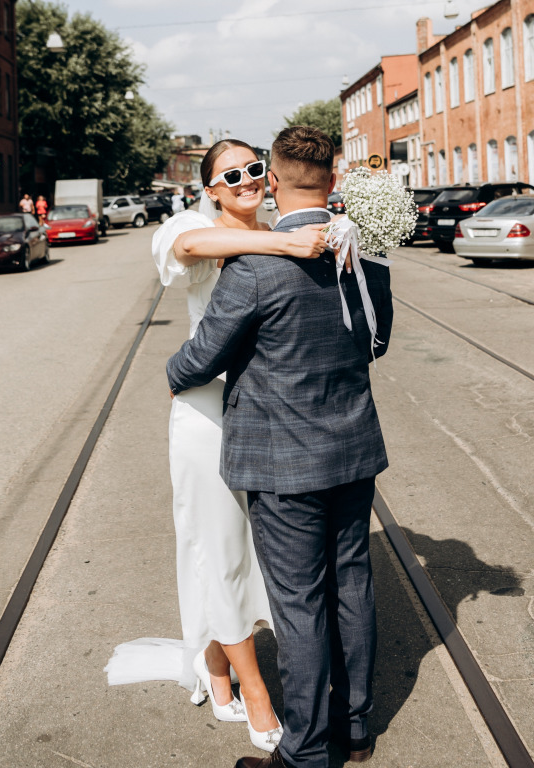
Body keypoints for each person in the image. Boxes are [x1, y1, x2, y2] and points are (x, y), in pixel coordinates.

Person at [167, 126, 393, 768]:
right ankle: (354, 727)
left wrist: (172, 374)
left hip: (283, 460)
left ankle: (305, 752)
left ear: (275, 177)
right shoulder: (362, 247)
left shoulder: (256, 267)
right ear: (334, 176)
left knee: (299, 603)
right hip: (353, 449)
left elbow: (204, 357)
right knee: (352, 585)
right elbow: (377, 340)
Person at [105, 139, 329, 755]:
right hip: (208, 415)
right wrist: (282, 242)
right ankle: (256, 690)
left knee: (250, 552)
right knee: (221, 547)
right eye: (230, 175)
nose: (246, 181)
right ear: (210, 187)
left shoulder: (283, 226)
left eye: (256, 169)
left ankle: (217, 664)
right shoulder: (195, 224)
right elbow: (188, 248)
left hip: (268, 412)